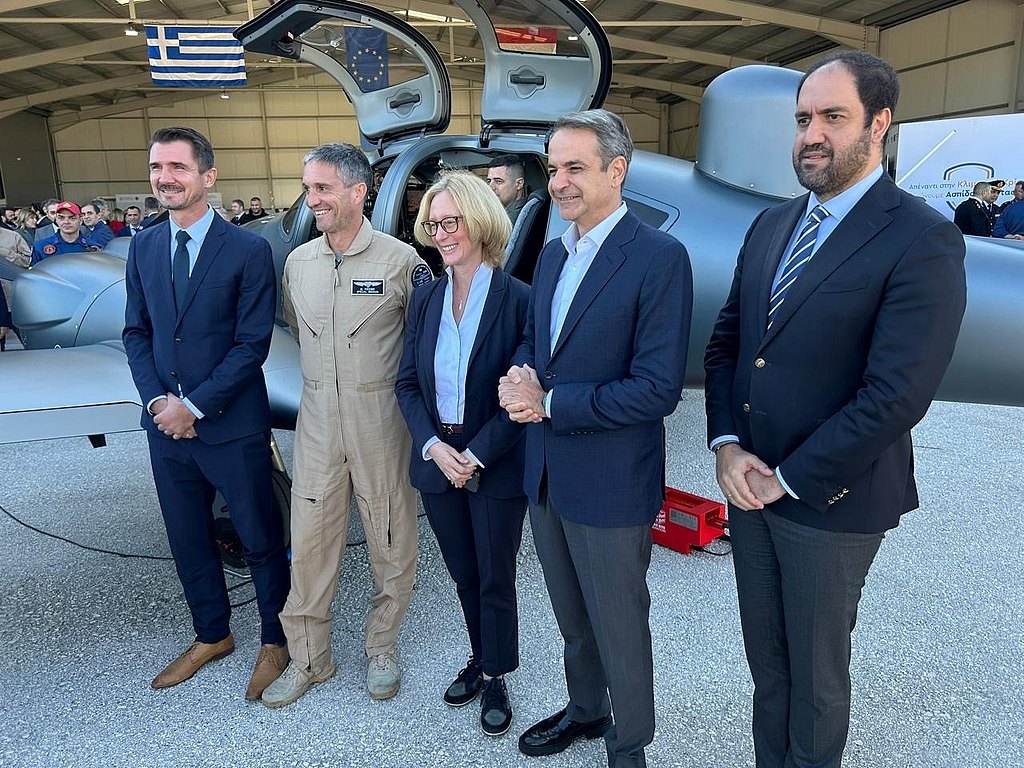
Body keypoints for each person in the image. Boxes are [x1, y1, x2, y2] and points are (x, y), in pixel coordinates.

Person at [704, 51, 967, 768]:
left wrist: (785, 478)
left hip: (829, 498)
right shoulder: (771, 225)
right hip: (748, 488)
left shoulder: (921, 238)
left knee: (816, 681)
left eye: (832, 117)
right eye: (802, 120)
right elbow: (729, 343)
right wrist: (727, 445)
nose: (810, 135)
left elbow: (897, 394)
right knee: (769, 667)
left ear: (879, 124)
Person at [498, 109, 692, 768]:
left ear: (618, 169)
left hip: (611, 480)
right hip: (547, 474)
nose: (558, 182)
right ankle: (587, 708)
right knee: (573, 618)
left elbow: (657, 388)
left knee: (618, 623)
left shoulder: (659, 259)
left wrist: (548, 402)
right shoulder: (554, 255)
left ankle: (629, 742)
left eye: (574, 167)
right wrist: (522, 373)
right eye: (553, 169)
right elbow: (537, 342)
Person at [122, 126, 291, 701]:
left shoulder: (247, 250)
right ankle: (211, 633)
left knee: (260, 535)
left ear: (208, 177)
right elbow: (136, 332)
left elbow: (251, 344)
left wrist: (193, 406)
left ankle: (276, 637)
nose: (165, 178)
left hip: (230, 425)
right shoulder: (143, 246)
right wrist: (158, 403)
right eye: (156, 167)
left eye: (177, 167)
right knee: (188, 537)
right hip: (165, 428)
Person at [261, 142, 432, 709]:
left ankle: (382, 647)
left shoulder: (402, 263)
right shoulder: (298, 263)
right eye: (308, 189)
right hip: (316, 420)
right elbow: (296, 329)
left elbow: (423, 350)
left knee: (389, 534)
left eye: (323, 188)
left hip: (380, 416)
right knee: (308, 539)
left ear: (360, 191)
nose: (312, 201)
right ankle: (311, 657)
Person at [395, 170, 530, 737]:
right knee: (464, 574)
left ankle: (496, 675)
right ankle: (480, 655)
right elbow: (406, 383)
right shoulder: (425, 298)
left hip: (493, 459)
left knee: (496, 573)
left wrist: (473, 453)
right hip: (436, 455)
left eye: (452, 221)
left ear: (479, 221)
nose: (442, 233)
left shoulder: (519, 298)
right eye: (434, 223)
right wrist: (431, 444)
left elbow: (525, 390)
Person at [30, 202, 95, 265]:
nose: (66, 222)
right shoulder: (40, 248)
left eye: (72, 218)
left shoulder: (93, 248)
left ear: (80, 220)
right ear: (56, 220)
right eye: (61, 218)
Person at [486, 155, 528, 224]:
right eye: (489, 181)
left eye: (499, 181)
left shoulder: (515, 219)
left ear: (519, 184)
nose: (491, 187)